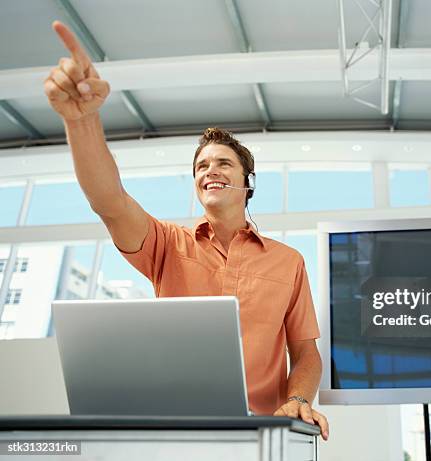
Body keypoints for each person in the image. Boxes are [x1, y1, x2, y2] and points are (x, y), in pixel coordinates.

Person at [44, 20, 329, 440]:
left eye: (223, 163)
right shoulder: (166, 243)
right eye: (201, 166)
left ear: (248, 183)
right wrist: (82, 122)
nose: (210, 170)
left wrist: (299, 399)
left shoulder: (289, 261)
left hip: (261, 434)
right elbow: (110, 203)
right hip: (174, 432)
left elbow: (305, 351)